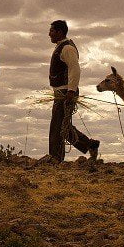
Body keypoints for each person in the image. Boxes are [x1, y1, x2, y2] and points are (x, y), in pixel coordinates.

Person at [48, 20, 100, 161]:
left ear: (60, 32)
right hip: (61, 92)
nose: (49, 34)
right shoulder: (62, 47)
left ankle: (55, 157)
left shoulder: (67, 48)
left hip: (65, 93)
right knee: (63, 126)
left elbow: (75, 69)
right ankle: (90, 145)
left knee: (57, 126)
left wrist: (71, 91)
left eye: (52, 31)